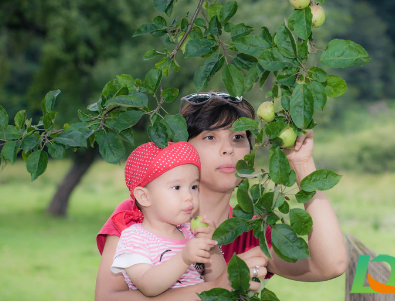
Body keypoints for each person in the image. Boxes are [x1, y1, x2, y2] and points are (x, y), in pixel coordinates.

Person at [95, 92, 348, 301]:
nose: (228, 149)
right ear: (183, 147)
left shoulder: (251, 229)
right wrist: (218, 286)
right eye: (210, 137)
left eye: (238, 137)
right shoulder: (139, 214)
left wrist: (303, 165)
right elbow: (107, 298)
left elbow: (330, 265)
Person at [109, 141, 225, 297]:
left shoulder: (191, 232)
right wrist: (184, 258)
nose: (189, 196)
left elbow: (220, 284)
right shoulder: (134, 238)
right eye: (177, 187)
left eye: (193, 187)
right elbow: (148, 285)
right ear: (144, 197)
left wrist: (212, 246)